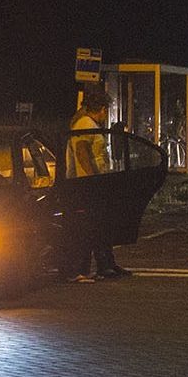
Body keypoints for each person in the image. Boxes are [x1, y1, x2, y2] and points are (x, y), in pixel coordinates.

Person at [66, 90, 122, 281]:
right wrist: (92, 179)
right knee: (90, 226)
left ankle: (105, 264)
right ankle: (82, 268)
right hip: (87, 185)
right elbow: (82, 152)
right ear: (103, 109)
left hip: (94, 182)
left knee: (99, 224)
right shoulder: (85, 125)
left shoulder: (88, 124)